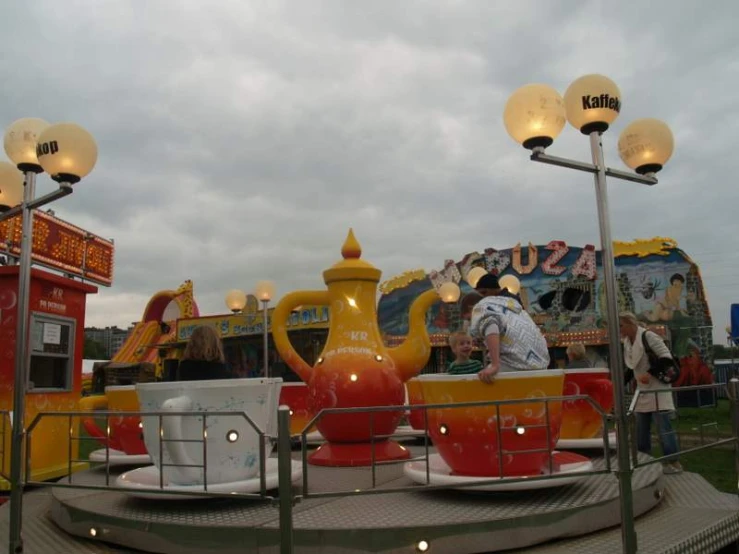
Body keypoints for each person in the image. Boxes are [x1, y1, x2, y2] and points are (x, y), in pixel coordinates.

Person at [619, 311, 683, 474]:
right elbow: (632, 367)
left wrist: (650, 373)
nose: (620, 330)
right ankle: (644, 461)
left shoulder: (649, 337)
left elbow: (666, 358)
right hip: (642, 391)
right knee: (641, 429)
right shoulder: (627, 342)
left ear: (630, 324)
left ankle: (673, 462)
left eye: (621, 326)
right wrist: (619, 383)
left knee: (663, 427)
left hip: (657, 389)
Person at [469, 273, 550, 383]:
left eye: (483, 293)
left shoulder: (487, 306)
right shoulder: (515, 305)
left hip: (514, 363)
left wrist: (494, 364)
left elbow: (491, 326)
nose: (482, 298)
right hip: (540, 363)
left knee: (484, 380)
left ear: (492, 290)